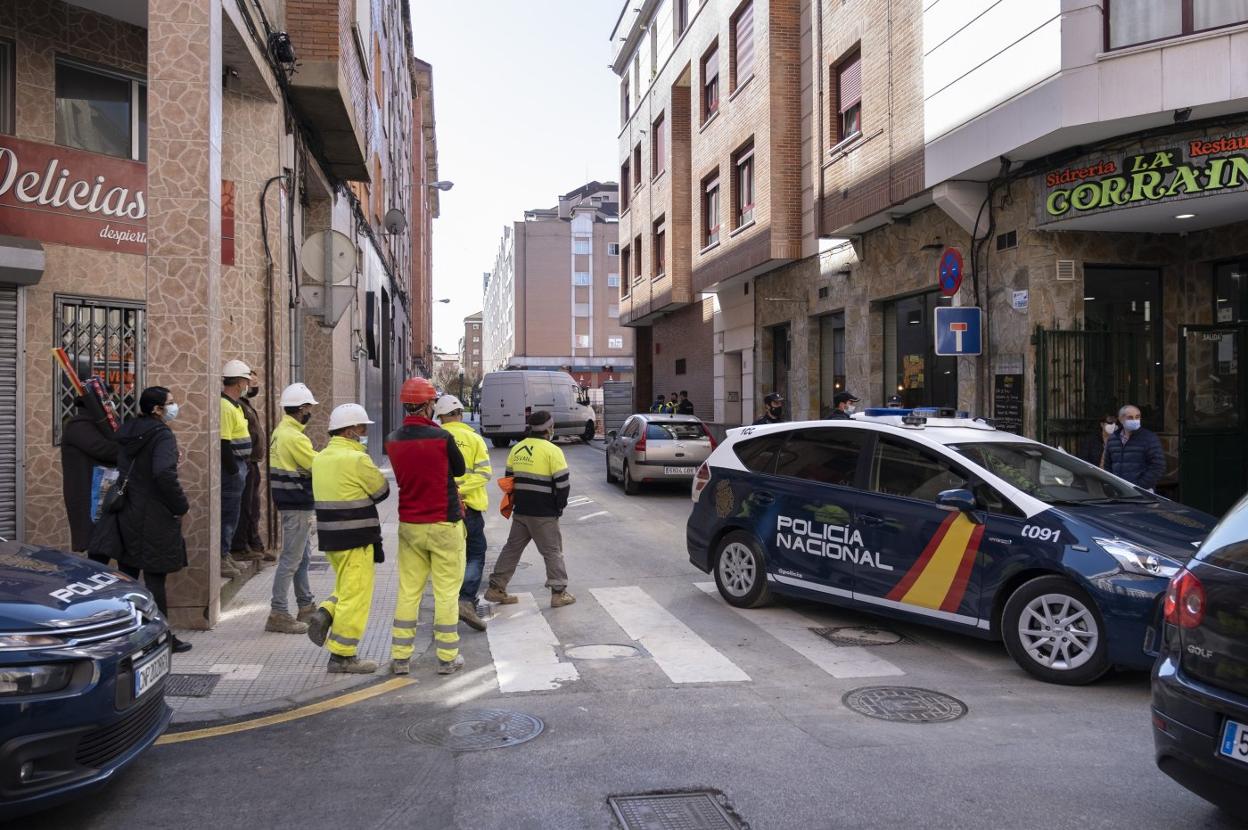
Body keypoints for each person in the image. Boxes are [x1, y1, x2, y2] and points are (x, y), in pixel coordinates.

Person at [385, 379, 469, 676]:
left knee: (409, 591)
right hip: (444, 522)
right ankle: (447, 658)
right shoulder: (441, 436)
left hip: (410, 523)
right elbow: (459, 470)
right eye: (433, 402)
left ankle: (400, 657)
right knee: (446, 592)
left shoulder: (392, 439)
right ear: (428, 405)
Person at [305, 403, 389, 674]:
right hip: (357, 538)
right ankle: (343, 655)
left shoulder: (320, 458)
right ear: (351, 430)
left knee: (345, 586)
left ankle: (326, 612)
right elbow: (381, 491)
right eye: (363, 428)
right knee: (356, 595)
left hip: (331, 538)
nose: (365, 433)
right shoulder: (357, 459)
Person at [115, 387, 192, 653]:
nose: (174, 407)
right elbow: (163, 474)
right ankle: (162, 637)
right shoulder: (162, 435)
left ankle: (126, 636)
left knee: (128, 577)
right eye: (170, 403)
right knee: (155, 578)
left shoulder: (128, 431)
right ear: (157, 410)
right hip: (156, 515)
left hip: (128, 512)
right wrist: (180, 504)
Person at [485, 410, 575, 609]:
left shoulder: (517, 448)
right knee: (552, 551)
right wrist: (559, 507)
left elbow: (509, 482)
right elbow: (562, 484)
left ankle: (496, 588)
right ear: (549, 428)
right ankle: (559, 593)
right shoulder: (552, 451)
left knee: (512, 549)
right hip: (544, 512)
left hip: (522, 510)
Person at [265, 382, 321, 635]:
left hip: (291, 502)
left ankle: (306, 605)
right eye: (308, 407)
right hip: (297, 503)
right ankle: (278, 612)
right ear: (300, 409)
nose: (310, 412)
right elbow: (316, 466)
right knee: (291, 559)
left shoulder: (281, 431)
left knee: (302, 557)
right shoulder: (294, 436)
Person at [434, 393, 492, 632]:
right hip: (471, 508)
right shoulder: (474, 439)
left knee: (447, 558)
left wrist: (451, 490)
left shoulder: (435, 438)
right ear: (459, 414)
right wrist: (462, 489)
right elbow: (485, 473)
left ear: (441, 417)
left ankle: (447, 605)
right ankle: (465, 601)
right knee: (475, 553)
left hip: (442, 508)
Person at [61, 391, 118, 561]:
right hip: (90, 494)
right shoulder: (79, 426)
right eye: (109, 400)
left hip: (103, 491)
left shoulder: (100, 424)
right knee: (97, 545)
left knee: (105, 541)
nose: (112, 404)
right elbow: (104, 449)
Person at [219, 359, 253, 581]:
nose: (248, 385)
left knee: (234, 513)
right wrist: (233, 471)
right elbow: (224, 443)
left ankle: (227, 552)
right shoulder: (224, 406)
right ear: (240, 382)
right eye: (246, 381)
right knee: (228, 514)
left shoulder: (235, 405)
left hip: (241, 465)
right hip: (233, 468)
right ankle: (221, 556)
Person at [230, 370, 269, 563]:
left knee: (253, 506)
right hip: (244, 462)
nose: (253, 386)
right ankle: (240, 546)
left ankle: (253, 543)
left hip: (251, 461)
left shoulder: (244, 405)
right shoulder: (236, 406)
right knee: (245, 506)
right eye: (250, 382)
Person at [1103, 404, 1165, 491]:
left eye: (1137, 417)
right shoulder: (1113, 439)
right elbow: (1107, 466)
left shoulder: (1149, 438)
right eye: (1130, 417)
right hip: (1118, 491)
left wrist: (1139, 486)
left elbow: (1158, 466)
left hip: (1142, 492)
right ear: (1121, 419)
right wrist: (1112, 485)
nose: (1135, 420)